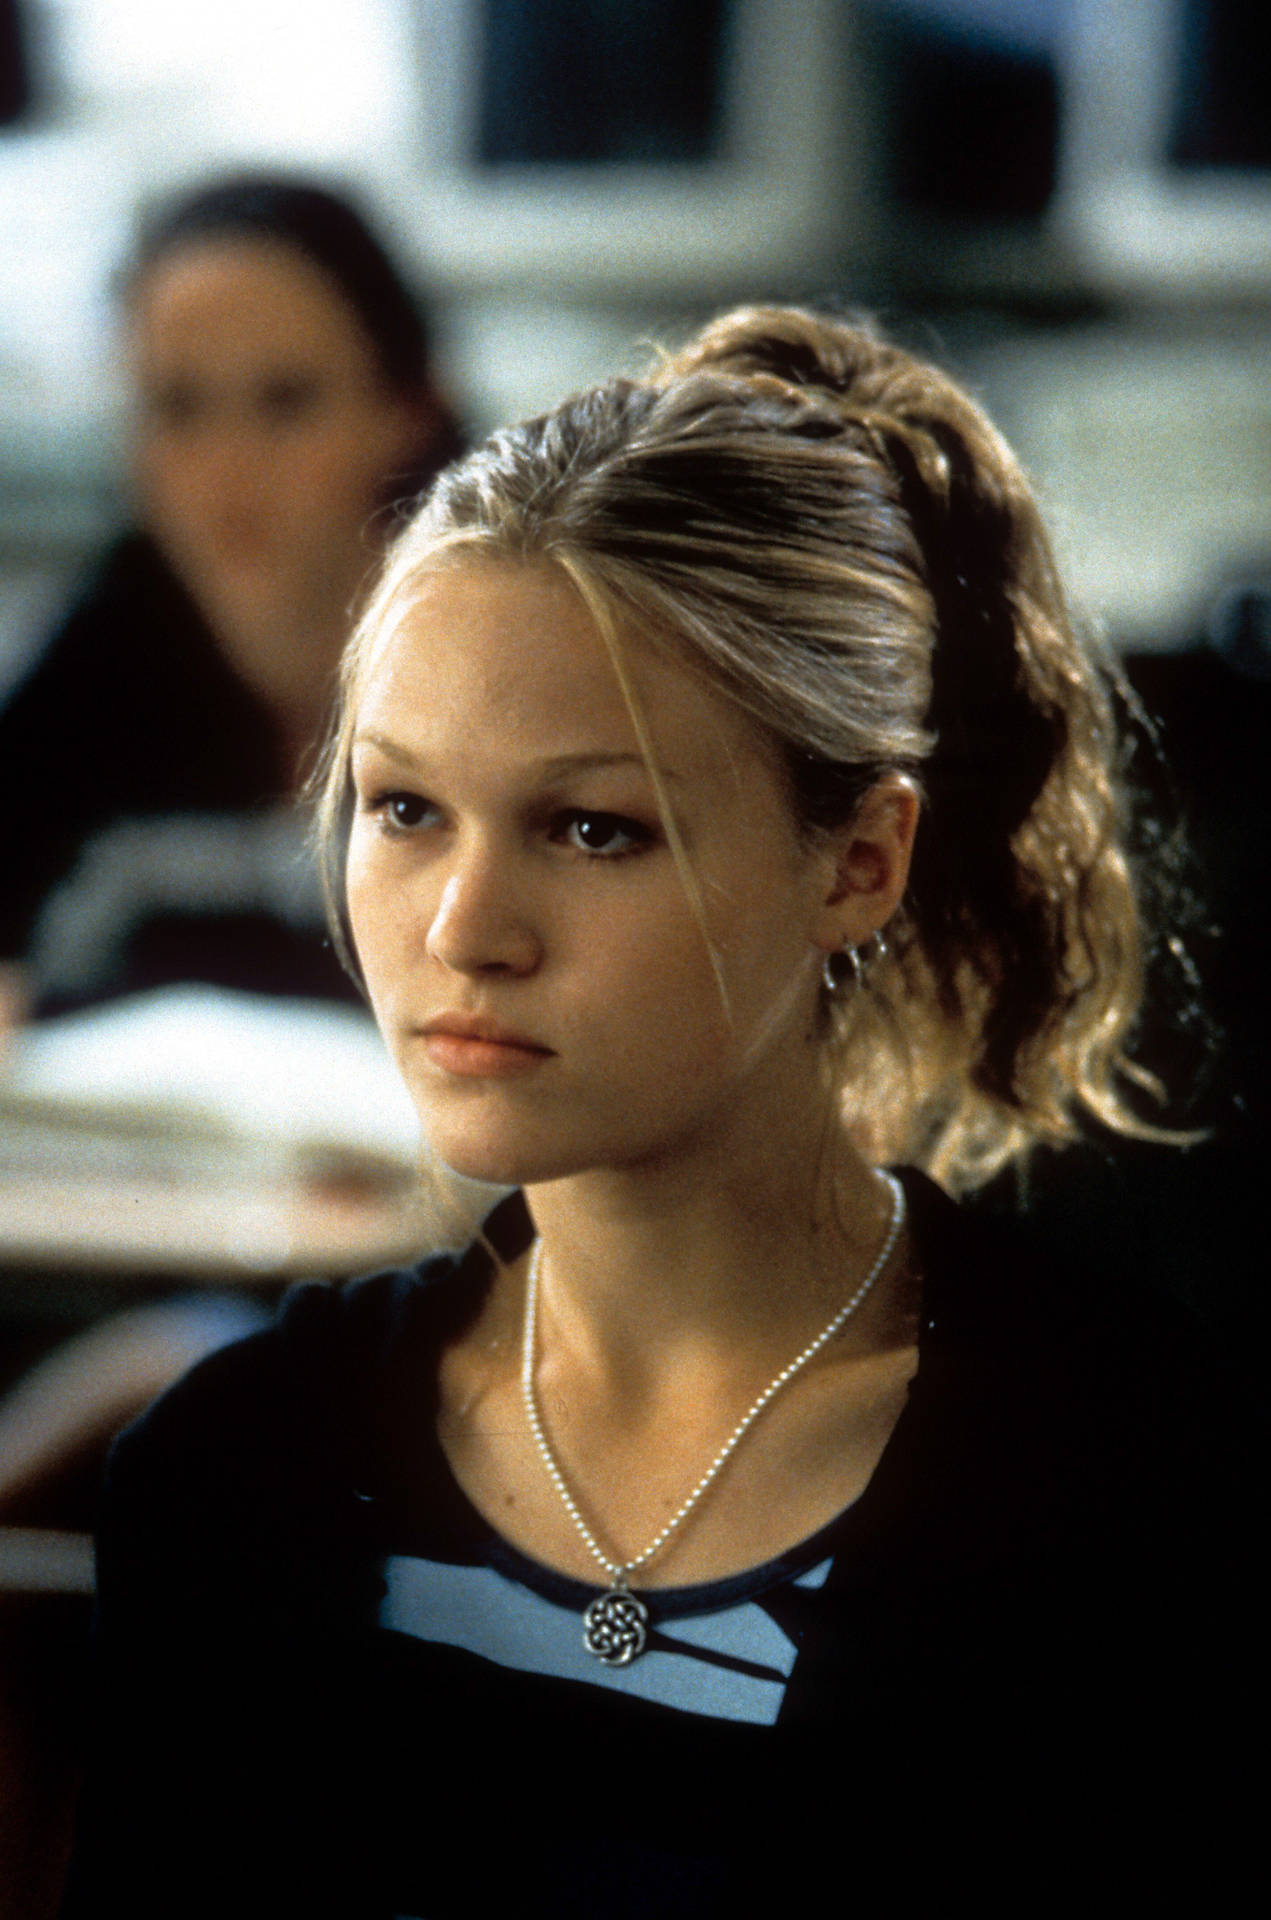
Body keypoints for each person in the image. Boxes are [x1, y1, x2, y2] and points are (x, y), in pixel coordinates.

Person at [62, 306, 1255, 1916]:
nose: (462, 926)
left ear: (855, 862)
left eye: (592, 828)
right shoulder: (232, 1474)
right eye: (404, 808)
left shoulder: (1136, 1493)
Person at [0, 171, 462, 1015]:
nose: (227, 467)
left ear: (407, 412)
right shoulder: (104, 653)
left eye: (284, 402)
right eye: (178, 408)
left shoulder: (512, 664)